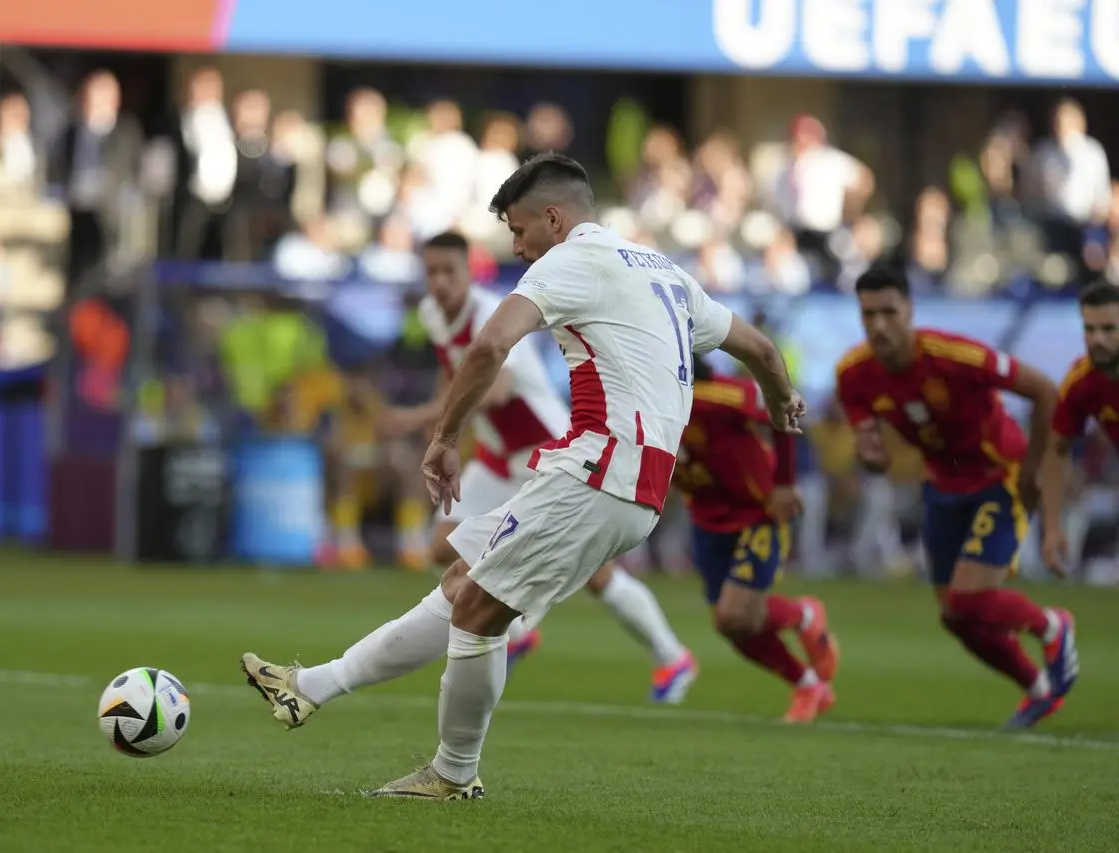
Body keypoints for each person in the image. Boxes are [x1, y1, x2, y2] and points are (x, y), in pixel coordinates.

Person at [241, 153, 805, 799]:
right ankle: (308, 687)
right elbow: (761, 350)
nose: (515, 245)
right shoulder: (666, 272)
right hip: (626, 478)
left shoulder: (570, 260)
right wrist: (783, 400)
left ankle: (453, 773)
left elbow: (490, 347)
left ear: (554, 218)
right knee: (461, 586)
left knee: (479, 612)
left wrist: (443, 436)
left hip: (598, 469)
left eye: (518, 229)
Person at [376, 229, 696, 702]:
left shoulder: (493, 313)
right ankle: (519, 622)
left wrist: (417, 418)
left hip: (541, 450)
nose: (440, 283)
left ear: (471, 272)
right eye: (432, 273)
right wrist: (444, 426)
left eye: (450, 272)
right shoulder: (431, 314)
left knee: (594, 573)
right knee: (442, 546)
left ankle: (673, 658)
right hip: (495, 455)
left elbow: (500, 389)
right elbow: (455, 376)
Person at [835, 265, 1077, 729]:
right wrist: (869, 454)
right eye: (869, 314)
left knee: (968, 599)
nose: (879, 324)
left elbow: (1046, 392)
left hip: (998, 475)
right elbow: (870, 447)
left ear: (910, 311)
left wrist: (1031, 473)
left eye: (889, 312)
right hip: (942, 487)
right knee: (954, 616)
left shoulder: (955, 355)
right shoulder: (853, 374)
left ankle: (1052, 625)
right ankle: (1038, 689)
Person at [676, 356, 839, 723]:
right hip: (706, 520)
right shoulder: (645, 400)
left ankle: (804, 614)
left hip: (757, 513)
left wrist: (784, 483)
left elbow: (784, 408)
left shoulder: (722, 395)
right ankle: (808, 684)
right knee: (729, 625)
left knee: (734, 614)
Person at [1041, 281, 1119, 578]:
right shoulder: (1081, 383)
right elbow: (1057, 451)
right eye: (1089, 329)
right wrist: (1052, 527)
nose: (1097, 339)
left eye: (1109, 329)